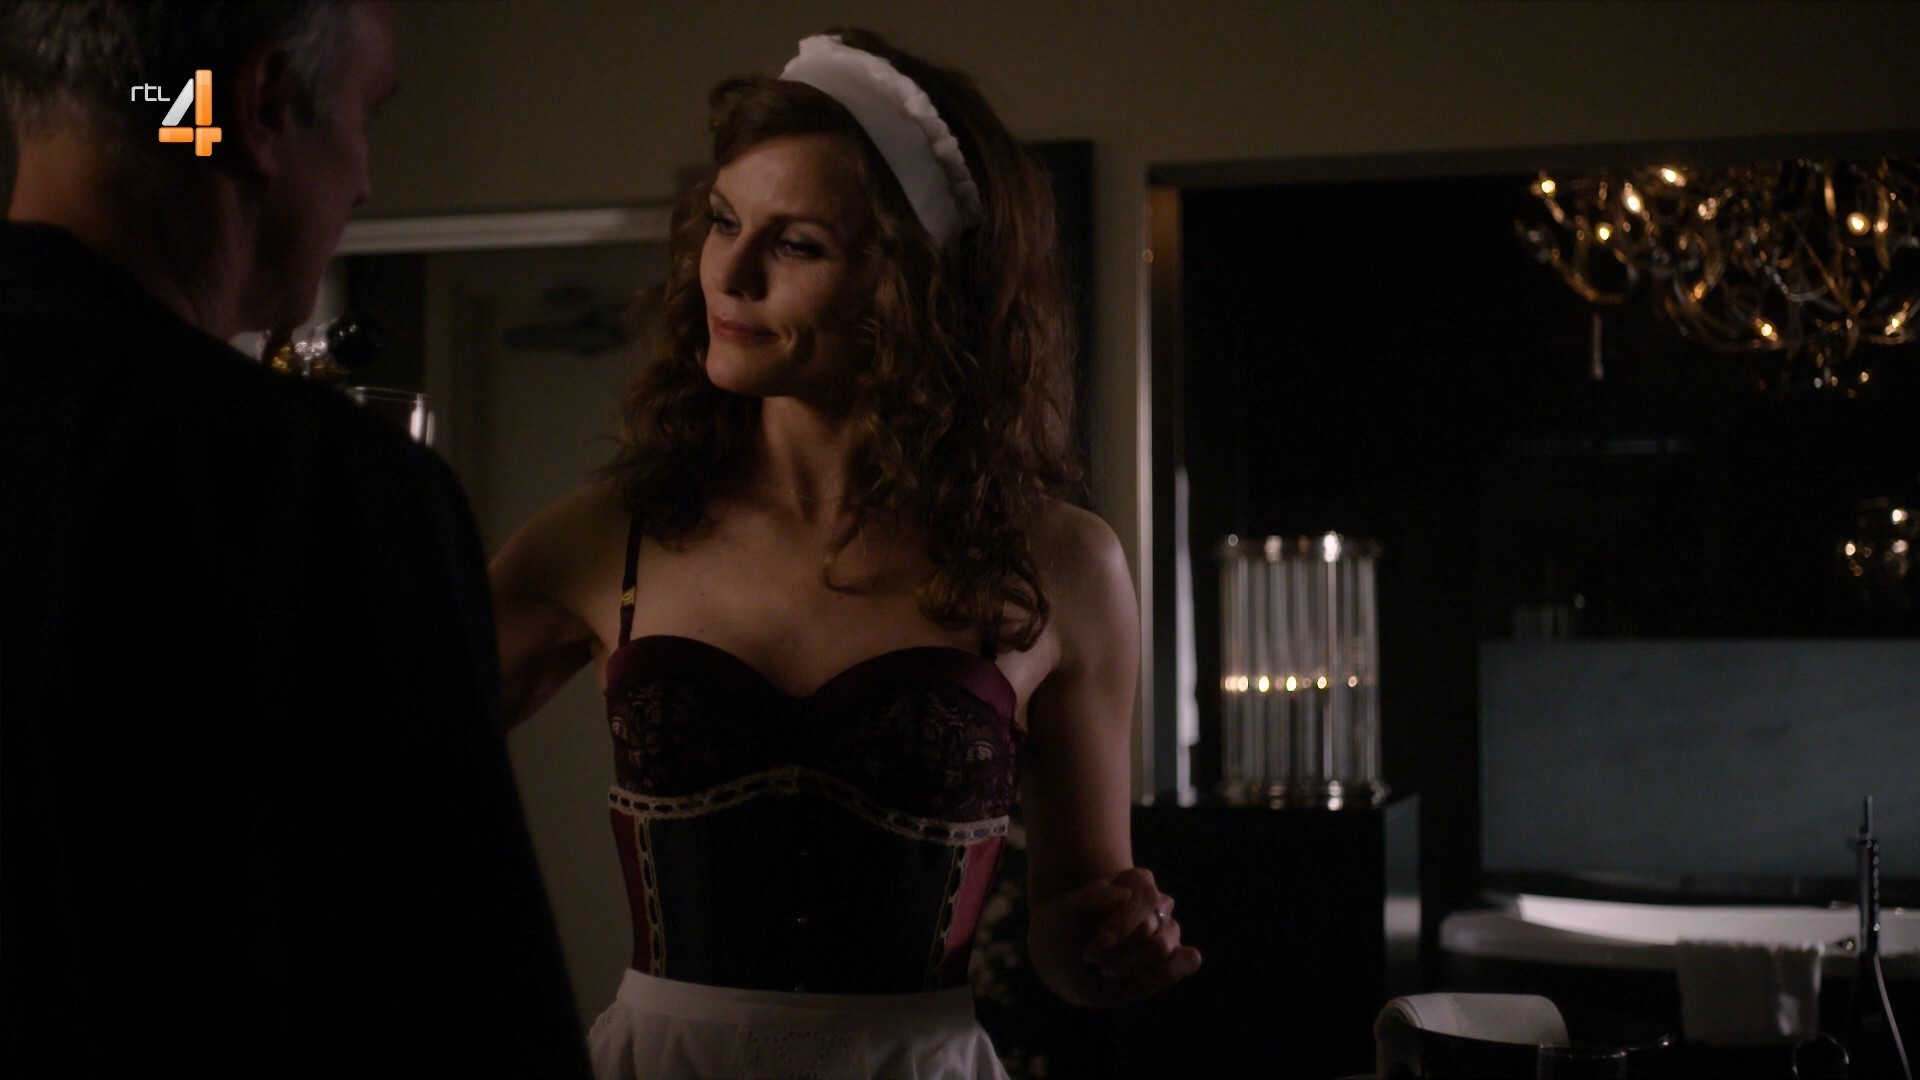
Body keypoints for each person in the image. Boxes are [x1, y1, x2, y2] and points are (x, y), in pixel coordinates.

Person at [489, 28, 1201, 1078]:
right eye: (724, 222)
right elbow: (357, 755)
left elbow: (1068, 928)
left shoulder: (1058, 563)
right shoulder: (608, 536)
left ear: (914, 283)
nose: (728, 274)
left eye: (797, 244)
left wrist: (1113, 949)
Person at [0, 3, 588, 1075]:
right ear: (268, 105)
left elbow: (162, 108)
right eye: (368, 114)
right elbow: (460, 995)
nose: (363, 182)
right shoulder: (311, 487)